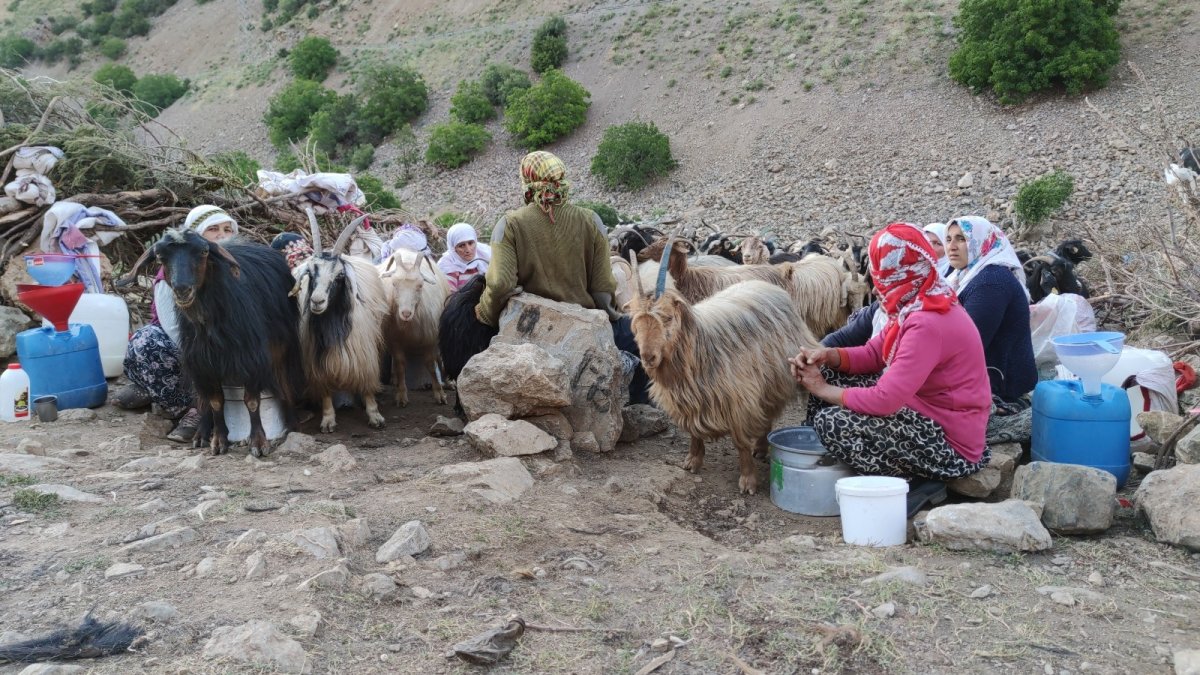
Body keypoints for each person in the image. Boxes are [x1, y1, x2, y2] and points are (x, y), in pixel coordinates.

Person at [791, 223, 992, 514]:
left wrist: (822, 388)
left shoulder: (926, 322)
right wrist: (828, 355)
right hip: (928, 411)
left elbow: (885, 400)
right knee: (834, 373)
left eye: (881, 274)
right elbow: (874, 353)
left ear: (897, 273)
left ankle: (913, 480)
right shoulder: (920, 301)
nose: (877, 283)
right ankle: (837, 459)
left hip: (950, 443)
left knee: (833, 422)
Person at [474, 151, 650, 405]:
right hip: (585, 323)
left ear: (526, 181)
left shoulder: (509, 224)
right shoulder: (591, 220)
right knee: (639, 334)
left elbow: (501, 283)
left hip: (531, 328)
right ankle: (638, 409)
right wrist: (610, 319)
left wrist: (486, 315)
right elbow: (602, 288)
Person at [114, 205, 240, 441]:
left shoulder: (232, 266)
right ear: (195, 234)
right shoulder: (173, 271)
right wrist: (207, 359)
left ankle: (147, 391)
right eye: (213, 229)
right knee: (146, 342)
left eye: (227, 229)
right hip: (182, 347)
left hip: (223, 342)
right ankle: (189, 409)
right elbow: (173, 327)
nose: (223, 235)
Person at [943, 216, 1037, 440]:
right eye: (948, 239)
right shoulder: (962, 276)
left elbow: (965, 345)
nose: (952, 247)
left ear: (981, 241)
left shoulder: (991, 281)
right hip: (984, 379)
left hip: (1002, 389)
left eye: (961, 239)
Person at [437, 223, 492, 291]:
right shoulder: (448, 266)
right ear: (454, 248)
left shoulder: (485, 253)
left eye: (470, 243)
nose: (468, 250)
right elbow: (450, 297)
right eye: (461, 245)